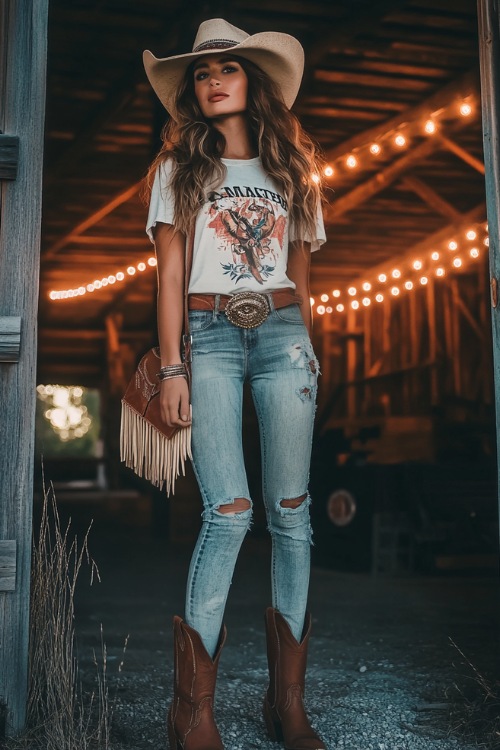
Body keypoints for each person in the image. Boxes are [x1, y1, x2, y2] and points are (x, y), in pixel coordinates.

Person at [142, 18, 326, 750]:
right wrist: (171, 367)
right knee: (228, 512)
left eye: (227, 69)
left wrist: (306, 343)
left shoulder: (294, 172)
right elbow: (167, 275)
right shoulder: (178, 171)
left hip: (284, 338)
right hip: (209, 337)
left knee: (292, 516)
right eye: (200, 73)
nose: (212, 81)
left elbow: (302, 270)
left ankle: (288, 707)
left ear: (255, 81)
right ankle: (193, 713)